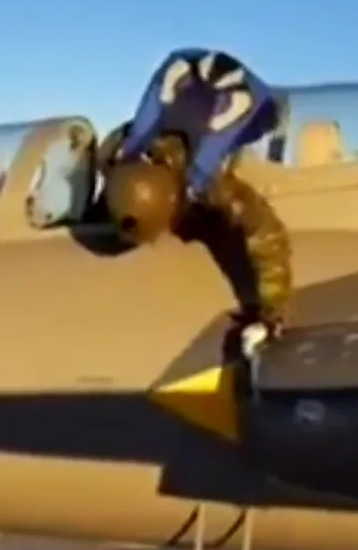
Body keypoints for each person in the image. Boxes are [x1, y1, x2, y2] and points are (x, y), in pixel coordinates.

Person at [103, 48, 293, 361]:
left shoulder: (212, 182)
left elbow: (267, 237)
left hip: (251, 108)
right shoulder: (128, 151)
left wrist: (269, 316)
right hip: (197, 87)